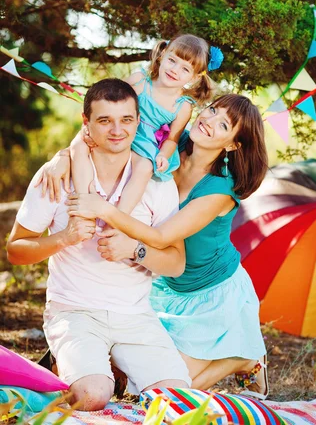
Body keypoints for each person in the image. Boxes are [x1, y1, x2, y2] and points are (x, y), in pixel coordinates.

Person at [62, 93, 270, 397]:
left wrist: (105, 211)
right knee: (127, 377)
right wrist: (60, 160)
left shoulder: (219, 189)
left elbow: (161, 237)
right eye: (211, 110)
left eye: (222, 123)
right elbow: (102, 137)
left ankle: (244, 358)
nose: (208, 120)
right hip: (165, 284)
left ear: (232, 144)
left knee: (164, 393)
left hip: (211, 293)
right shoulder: (172, 142)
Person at [6, 79, 191, 411]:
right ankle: (66, 367)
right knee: (93, 395)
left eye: (126, 120)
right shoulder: (57, 176)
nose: (117, 130)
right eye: (105, 120)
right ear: (86, 122)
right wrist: (64, 238)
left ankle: (111, 364)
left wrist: (136, 249)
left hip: (135, 315)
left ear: (139, 121)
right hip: (74, 310)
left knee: (181, 403)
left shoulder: (157, 185)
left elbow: (176, 262)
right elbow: (15, 249)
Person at [70, 34, 218, 223]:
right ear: (163, 55)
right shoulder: (139, 80)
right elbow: (110, 99)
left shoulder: (183, 106)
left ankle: (117, 218)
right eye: (172, 60)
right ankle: (83, 200)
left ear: (195, 77)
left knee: (145, 167)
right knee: (80, 146)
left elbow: (172, 138)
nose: (175, 70)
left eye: (185, 69)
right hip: (118, 131)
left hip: (145, 144)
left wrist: (163, 155)